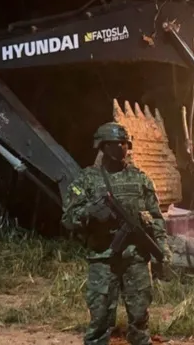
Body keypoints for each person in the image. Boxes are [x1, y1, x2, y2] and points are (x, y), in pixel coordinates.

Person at [61, 122, 172, 345]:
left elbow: (156, 217)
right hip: (103, 259)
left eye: (124, 143)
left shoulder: (140, 179)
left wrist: (163, 248)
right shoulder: (87, 179)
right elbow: (68, 219)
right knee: (100, 320)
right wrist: (91, 213)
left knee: (140, 320)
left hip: (137, 259)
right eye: (115, 143)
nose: (121, 147)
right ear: (102, 146)